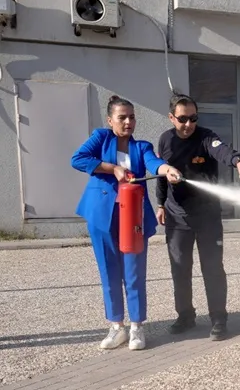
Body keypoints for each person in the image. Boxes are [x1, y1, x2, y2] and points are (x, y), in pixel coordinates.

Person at [73, 95, 182, 350]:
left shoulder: (141, 146)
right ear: (110, 120)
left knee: (133, 272)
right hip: (102, 215)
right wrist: (112, 168)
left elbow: (154, 163)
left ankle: (136, 327)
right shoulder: (100, 138)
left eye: (132, 117)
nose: (128, 121)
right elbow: (77, 159)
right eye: (122, 117)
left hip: (133, 217)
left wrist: (167, 170)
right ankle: (116, 326)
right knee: (109, 271)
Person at [156, 93, 240, 341]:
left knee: (212, 268)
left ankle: (219, 319)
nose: (188, 124)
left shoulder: (207, 137)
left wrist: (239, 162)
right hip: (177, 217)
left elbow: (222, 151)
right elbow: (160, 174)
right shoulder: (165, 140)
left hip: (207, 215)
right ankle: (185, 316)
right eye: (182, 119)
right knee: (180, 268)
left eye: (193, 118)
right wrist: (159, 204)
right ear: (171, 118)